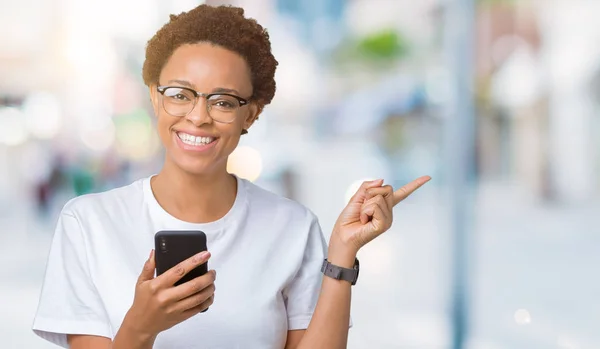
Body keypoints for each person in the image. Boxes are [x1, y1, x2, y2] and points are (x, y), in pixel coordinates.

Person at [31, 4, 430, 349]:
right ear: (155, 96)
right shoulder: (87, 224)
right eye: (180, 94)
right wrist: (140, 327)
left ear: (250, 115)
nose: (199, 116)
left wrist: (343, 252)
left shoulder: (292, 227)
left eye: (223, 101)